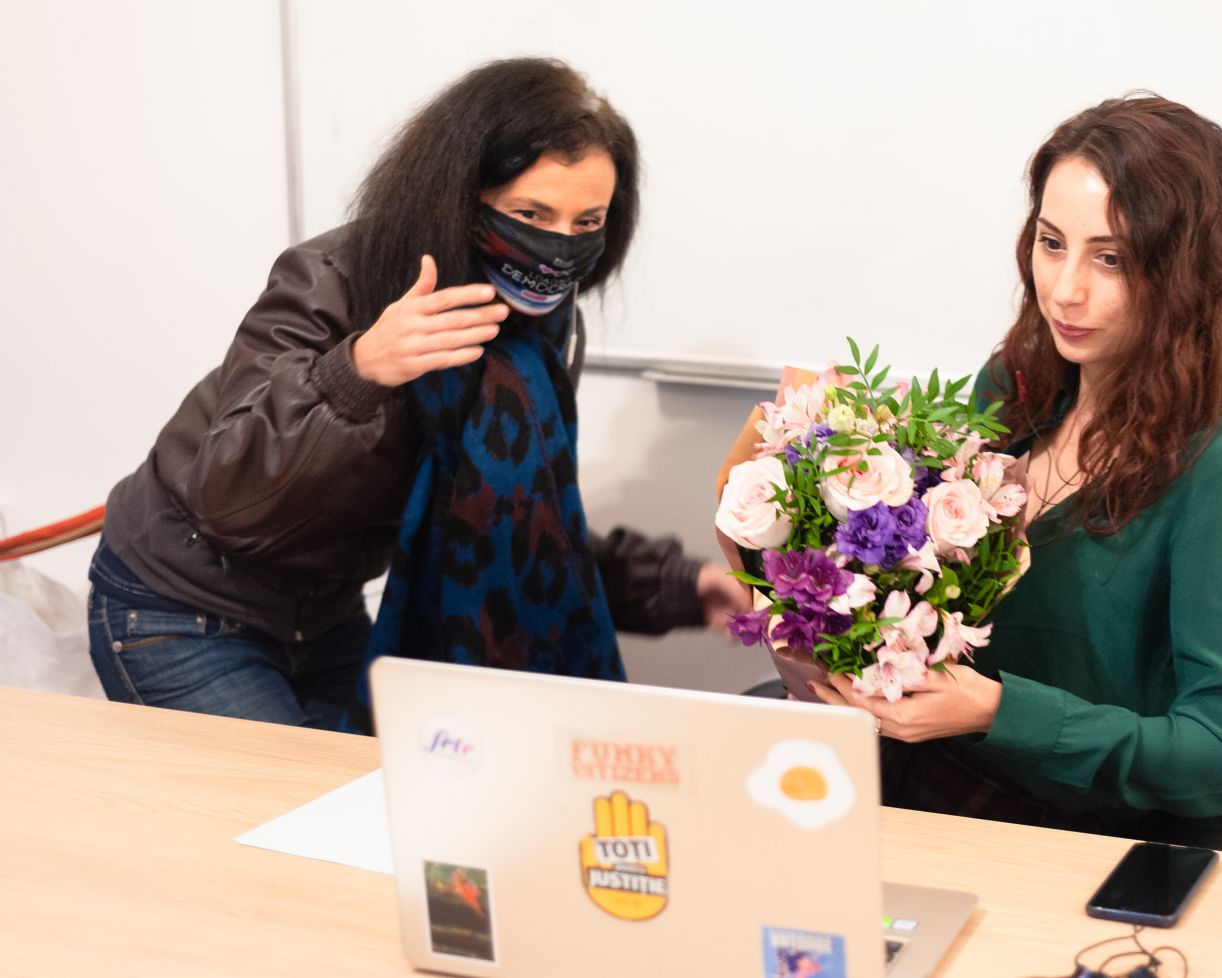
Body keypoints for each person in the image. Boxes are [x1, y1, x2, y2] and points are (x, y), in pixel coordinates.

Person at [87, 58, 749, 730]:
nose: (558, 245)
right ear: (460, 193)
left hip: (325, 618)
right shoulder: (334, 278)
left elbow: (525, 522)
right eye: (531, 212)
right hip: (181, 610)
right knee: (279, 817)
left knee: (367, 811)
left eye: (587, 223)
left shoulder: (538, 330)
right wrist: (358, 369)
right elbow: (228, 493)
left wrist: (679, 587)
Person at [811, 95, 1222, 835]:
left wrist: (1000, 711)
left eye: (1111, 258)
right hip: (923, 780)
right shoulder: (1015, 387)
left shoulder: (1213, 472)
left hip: (1056, 835)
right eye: (1050, 242)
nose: (1066, 289)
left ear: (1184, 275)